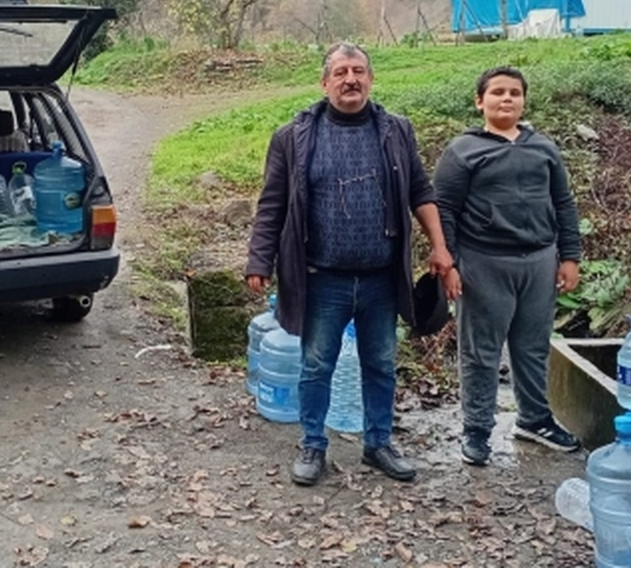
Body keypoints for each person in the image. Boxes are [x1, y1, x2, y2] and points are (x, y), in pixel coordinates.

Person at [245, 41, 453, 486]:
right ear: (324, 84)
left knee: (380, 362)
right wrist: (258, 260)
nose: (350, 80)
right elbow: (272, 205)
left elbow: (421, 190)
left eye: (358, 71)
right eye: (340, 73)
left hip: (381, 277)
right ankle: (313, 444)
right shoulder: (293, 137)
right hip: (322, 279)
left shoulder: (396, 130)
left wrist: (440, 247)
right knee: (317, 364)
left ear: (371, 79)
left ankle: (378, 443)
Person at [433, 66, 582, 467]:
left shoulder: (543, 148)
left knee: (532, 347)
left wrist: (569, 256)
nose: (507, 99)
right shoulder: (463, 150)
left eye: (514, 93)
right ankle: (477, 430)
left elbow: (564, 203)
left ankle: (533, 419)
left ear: (524, 101)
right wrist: (449, 263)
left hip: (538, 261)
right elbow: (444, 208)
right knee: (481, 352)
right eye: (497, 92)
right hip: (483, 263)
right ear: (480, 101)